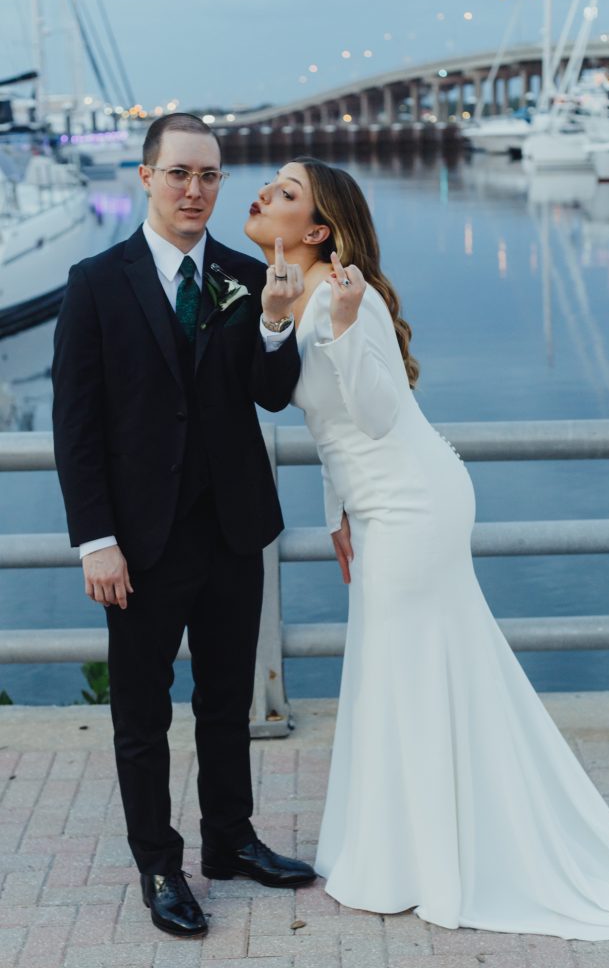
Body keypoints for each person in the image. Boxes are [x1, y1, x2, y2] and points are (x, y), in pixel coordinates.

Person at [244, 155, 609, 939]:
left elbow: (376, 415)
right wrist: (338, 512)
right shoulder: (291, 293)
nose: (262, 194)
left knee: (408, 671)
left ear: (316, 230)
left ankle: (433, 862)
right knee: (396, 667)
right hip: (376, 505)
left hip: (414, 502)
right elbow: (325, 427)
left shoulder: (349, 298)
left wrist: (344, 328)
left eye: (284, 191)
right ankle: (405, 851)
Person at [52, 114, 315, 939]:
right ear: (146, 177)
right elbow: (76, 426)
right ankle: (159, 865)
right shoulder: (96, 283)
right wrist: (97, 541)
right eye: (179, 174)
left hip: (233, 529)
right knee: (141, 716)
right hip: (138, 544)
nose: (194, 190)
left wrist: (276, 322)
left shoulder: (248, 275)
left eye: (208, 176)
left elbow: (271, 395)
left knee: (226, 702)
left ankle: (229, 842)